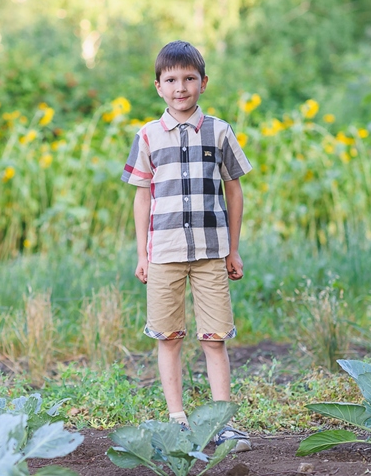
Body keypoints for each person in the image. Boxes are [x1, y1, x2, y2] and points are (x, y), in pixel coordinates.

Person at [121, 40, 252, 452]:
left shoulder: (219, 131)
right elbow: (142, 196)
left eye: (189, 79)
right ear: (158, 86)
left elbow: (234, 191)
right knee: (169, 336)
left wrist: (233, 248)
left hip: (212, 252)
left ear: (204, 83)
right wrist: (142, 254)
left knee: (214, 337)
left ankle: (223, 420)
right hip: (164, 253)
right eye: (172, 80)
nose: (181, 87)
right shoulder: (147, 136)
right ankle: (177, 420)